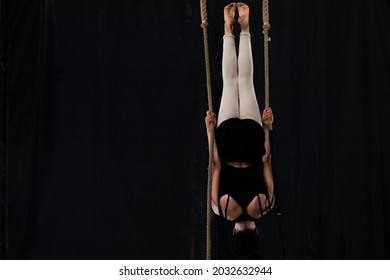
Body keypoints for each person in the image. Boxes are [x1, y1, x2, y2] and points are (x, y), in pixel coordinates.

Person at [205, 2, 275, 258]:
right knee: (229, 83)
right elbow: (217, 166)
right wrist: (210, 132)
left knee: (245, 83)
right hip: (227, 142)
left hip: (253, 139)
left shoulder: (265, 207)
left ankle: (243, 25)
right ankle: (228, 29)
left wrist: (267, 127)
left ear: (256, 234)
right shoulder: (220, 209)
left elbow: (266, 159)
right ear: (234, 235)